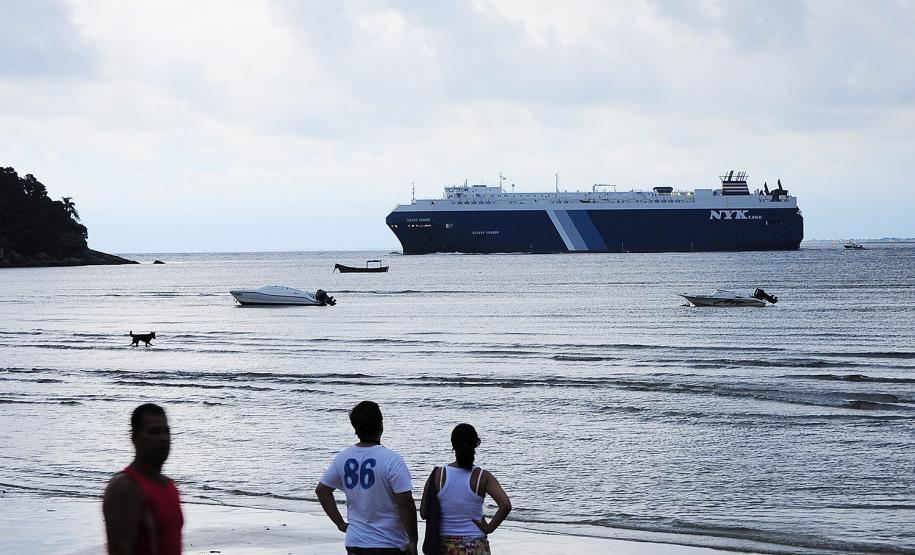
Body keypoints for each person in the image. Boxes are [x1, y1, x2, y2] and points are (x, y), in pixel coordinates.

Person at [316, 401, 418, 554]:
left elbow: (322, 490)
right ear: (381, 425)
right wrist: (413, 540)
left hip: (356, 541)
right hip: (389, 542)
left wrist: (340, 523)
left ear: (355, 429)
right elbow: (405, 503)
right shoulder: (392, 460)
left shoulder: (342, 458)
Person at [103, 403, 183, 555]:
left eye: (166, 431)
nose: (163, 438)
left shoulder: (170, 486)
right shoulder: (125, 487)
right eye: (153, 432)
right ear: (135, 438)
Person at [420, 424, 511, 555]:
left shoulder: (438, 475)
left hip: (444, 546)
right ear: (475, 446)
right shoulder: (482, 476)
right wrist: (489, 528)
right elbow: (505, 505)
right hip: (475, 545)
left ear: (453, 446)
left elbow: (423, 513)